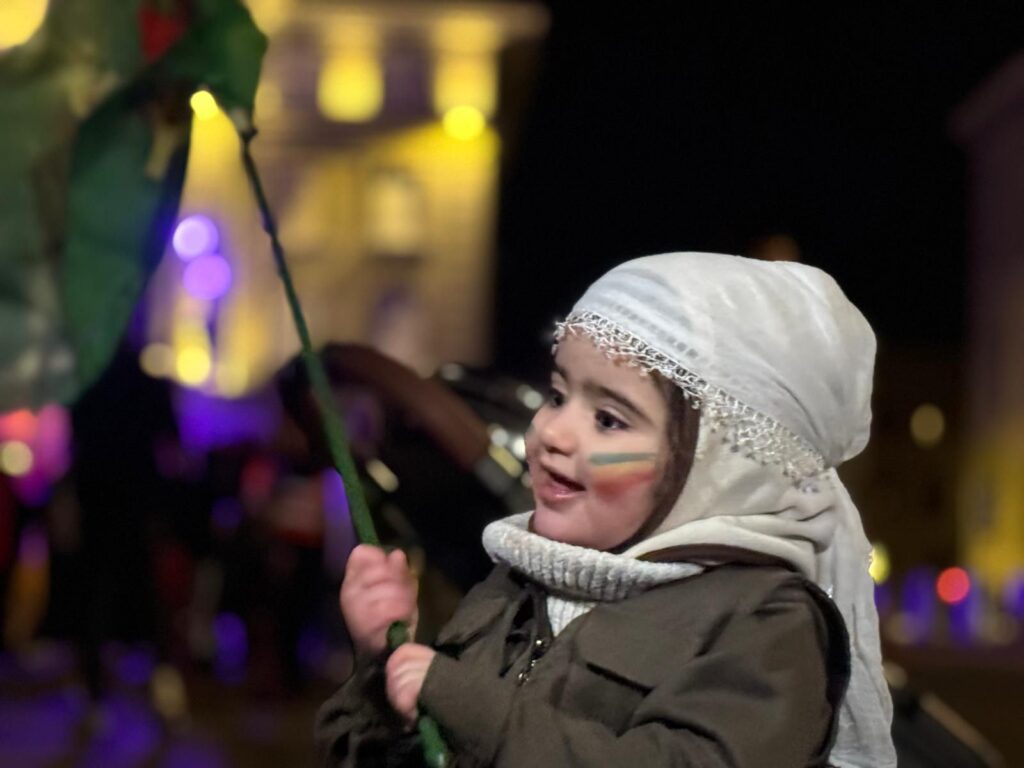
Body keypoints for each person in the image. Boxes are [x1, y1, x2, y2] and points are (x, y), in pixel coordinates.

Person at [315, 252, 896, 767]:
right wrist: (380, 671)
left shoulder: (766, 624)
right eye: (558, 395)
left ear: (718, 469)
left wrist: (468, 704)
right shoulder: (516, 585)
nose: (550, 433)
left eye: (609, 420)